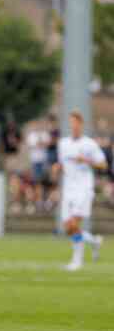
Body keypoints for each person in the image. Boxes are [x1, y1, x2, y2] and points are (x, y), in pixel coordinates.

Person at [53, 111, 106, 271]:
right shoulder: (63, 144)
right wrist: (57, 168)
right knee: (68, 228)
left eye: (76, 123)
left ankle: (77, 261)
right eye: (71, 123)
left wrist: (87, 160)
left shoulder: (89, 144)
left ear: (81, 124)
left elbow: (103, 165)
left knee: (74, 224)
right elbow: (63, 164)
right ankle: (94, 241)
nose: (73, 126)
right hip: (68, 189)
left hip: (84, 188)